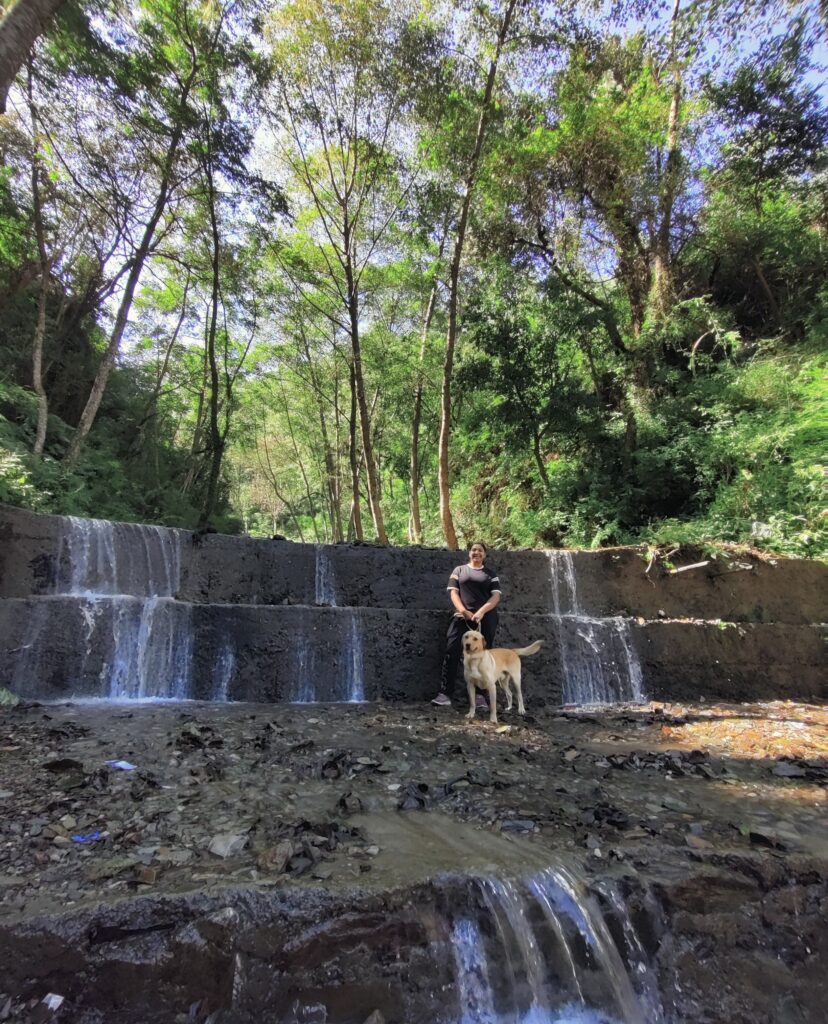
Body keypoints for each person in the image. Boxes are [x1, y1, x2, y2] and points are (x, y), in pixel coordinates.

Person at [431, 541, 501, 708]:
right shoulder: (459, 571)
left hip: (485, 619)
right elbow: (454, 593)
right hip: (461, 617)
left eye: (480, 550)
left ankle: (480, 696)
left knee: (483, 656)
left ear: (485, 555)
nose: (476, 552)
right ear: (469, 553)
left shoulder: (491, 574)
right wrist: (463, 611)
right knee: (452, 651)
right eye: (473, 550)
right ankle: (445, 694)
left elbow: (495, 597)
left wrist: (481, 612)